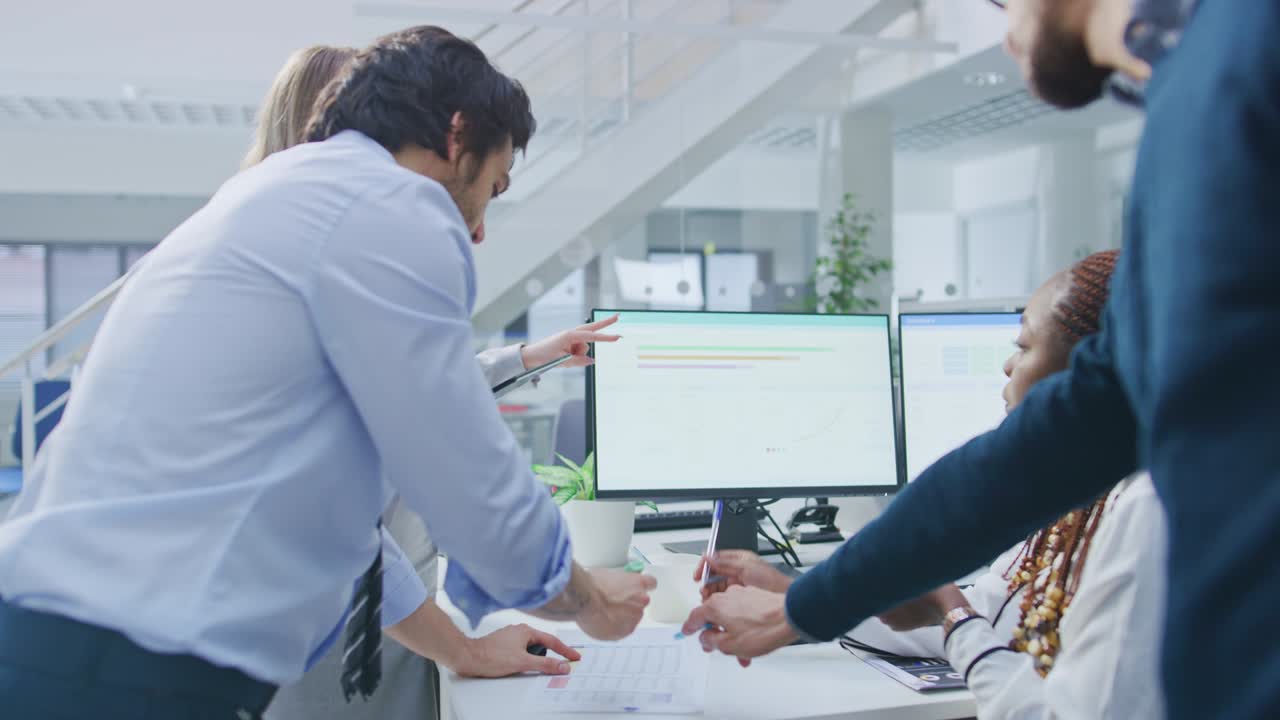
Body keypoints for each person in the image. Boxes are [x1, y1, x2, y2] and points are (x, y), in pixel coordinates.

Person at [0, 25, 655, 720]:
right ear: (457, 134)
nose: (480, 229)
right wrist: (587, 599)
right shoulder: (397, 208)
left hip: (64, 643)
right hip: (133, 669)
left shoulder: (271, 196)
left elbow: (362, 511)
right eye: (493, 186)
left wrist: (472, 638)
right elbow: (467, 481)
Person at [684, 1, 1280, 717]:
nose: (1005, 34)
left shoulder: (1235, 64)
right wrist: (809, 601)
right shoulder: (1196, 92)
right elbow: (1059, 439)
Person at [240, 45, 619, 720]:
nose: (475, 232)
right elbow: (445, 473)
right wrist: (584, 600)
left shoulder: (268, 234)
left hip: (390, 606)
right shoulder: (351, 237)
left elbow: (415, 389)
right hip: (322, 631)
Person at [696, 251, 1168, 718]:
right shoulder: (1073, 508)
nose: (1007, 366)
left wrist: (953, 617)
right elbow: (993, 612)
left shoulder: (1146, 514)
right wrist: (792, 592)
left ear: (1086, 370)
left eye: (1023, 346)